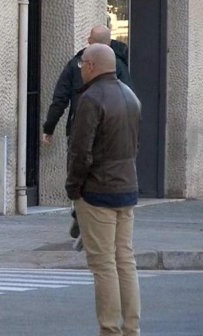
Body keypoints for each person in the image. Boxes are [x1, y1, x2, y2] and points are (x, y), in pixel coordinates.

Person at [66, 43, 141, 336]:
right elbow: (135, 145)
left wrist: (74, 188)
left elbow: (80, 152)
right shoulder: (131, 96)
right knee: (125, 260)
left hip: (97, 190)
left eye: (83, 63)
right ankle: (131, 332)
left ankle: (109, 332)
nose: (81, 68)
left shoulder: (91, 99)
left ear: (94, 66)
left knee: (103, 265)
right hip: (126, 187)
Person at [41, 25, 134, 243]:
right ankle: (89, 219)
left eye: (90, 38)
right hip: (113, 137)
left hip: (80, 131)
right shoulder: (120, 67)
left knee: (80, 172)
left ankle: (82, 215)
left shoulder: (77, 65)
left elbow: (60, 98)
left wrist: (49, 127)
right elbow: (131, 102)